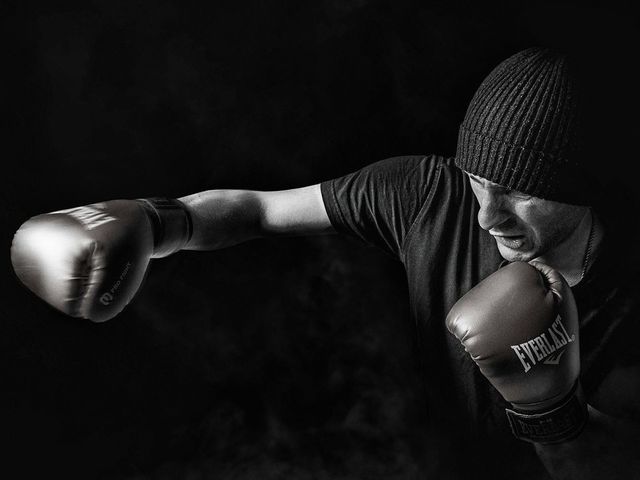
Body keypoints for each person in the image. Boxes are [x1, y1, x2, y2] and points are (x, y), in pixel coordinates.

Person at [10, 48, 640, 478]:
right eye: (479, 181)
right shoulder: (425, 194)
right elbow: (258, 210)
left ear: (587, 186)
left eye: (523, 193)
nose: (487, 217)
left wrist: (550, 413)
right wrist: (157, 222)